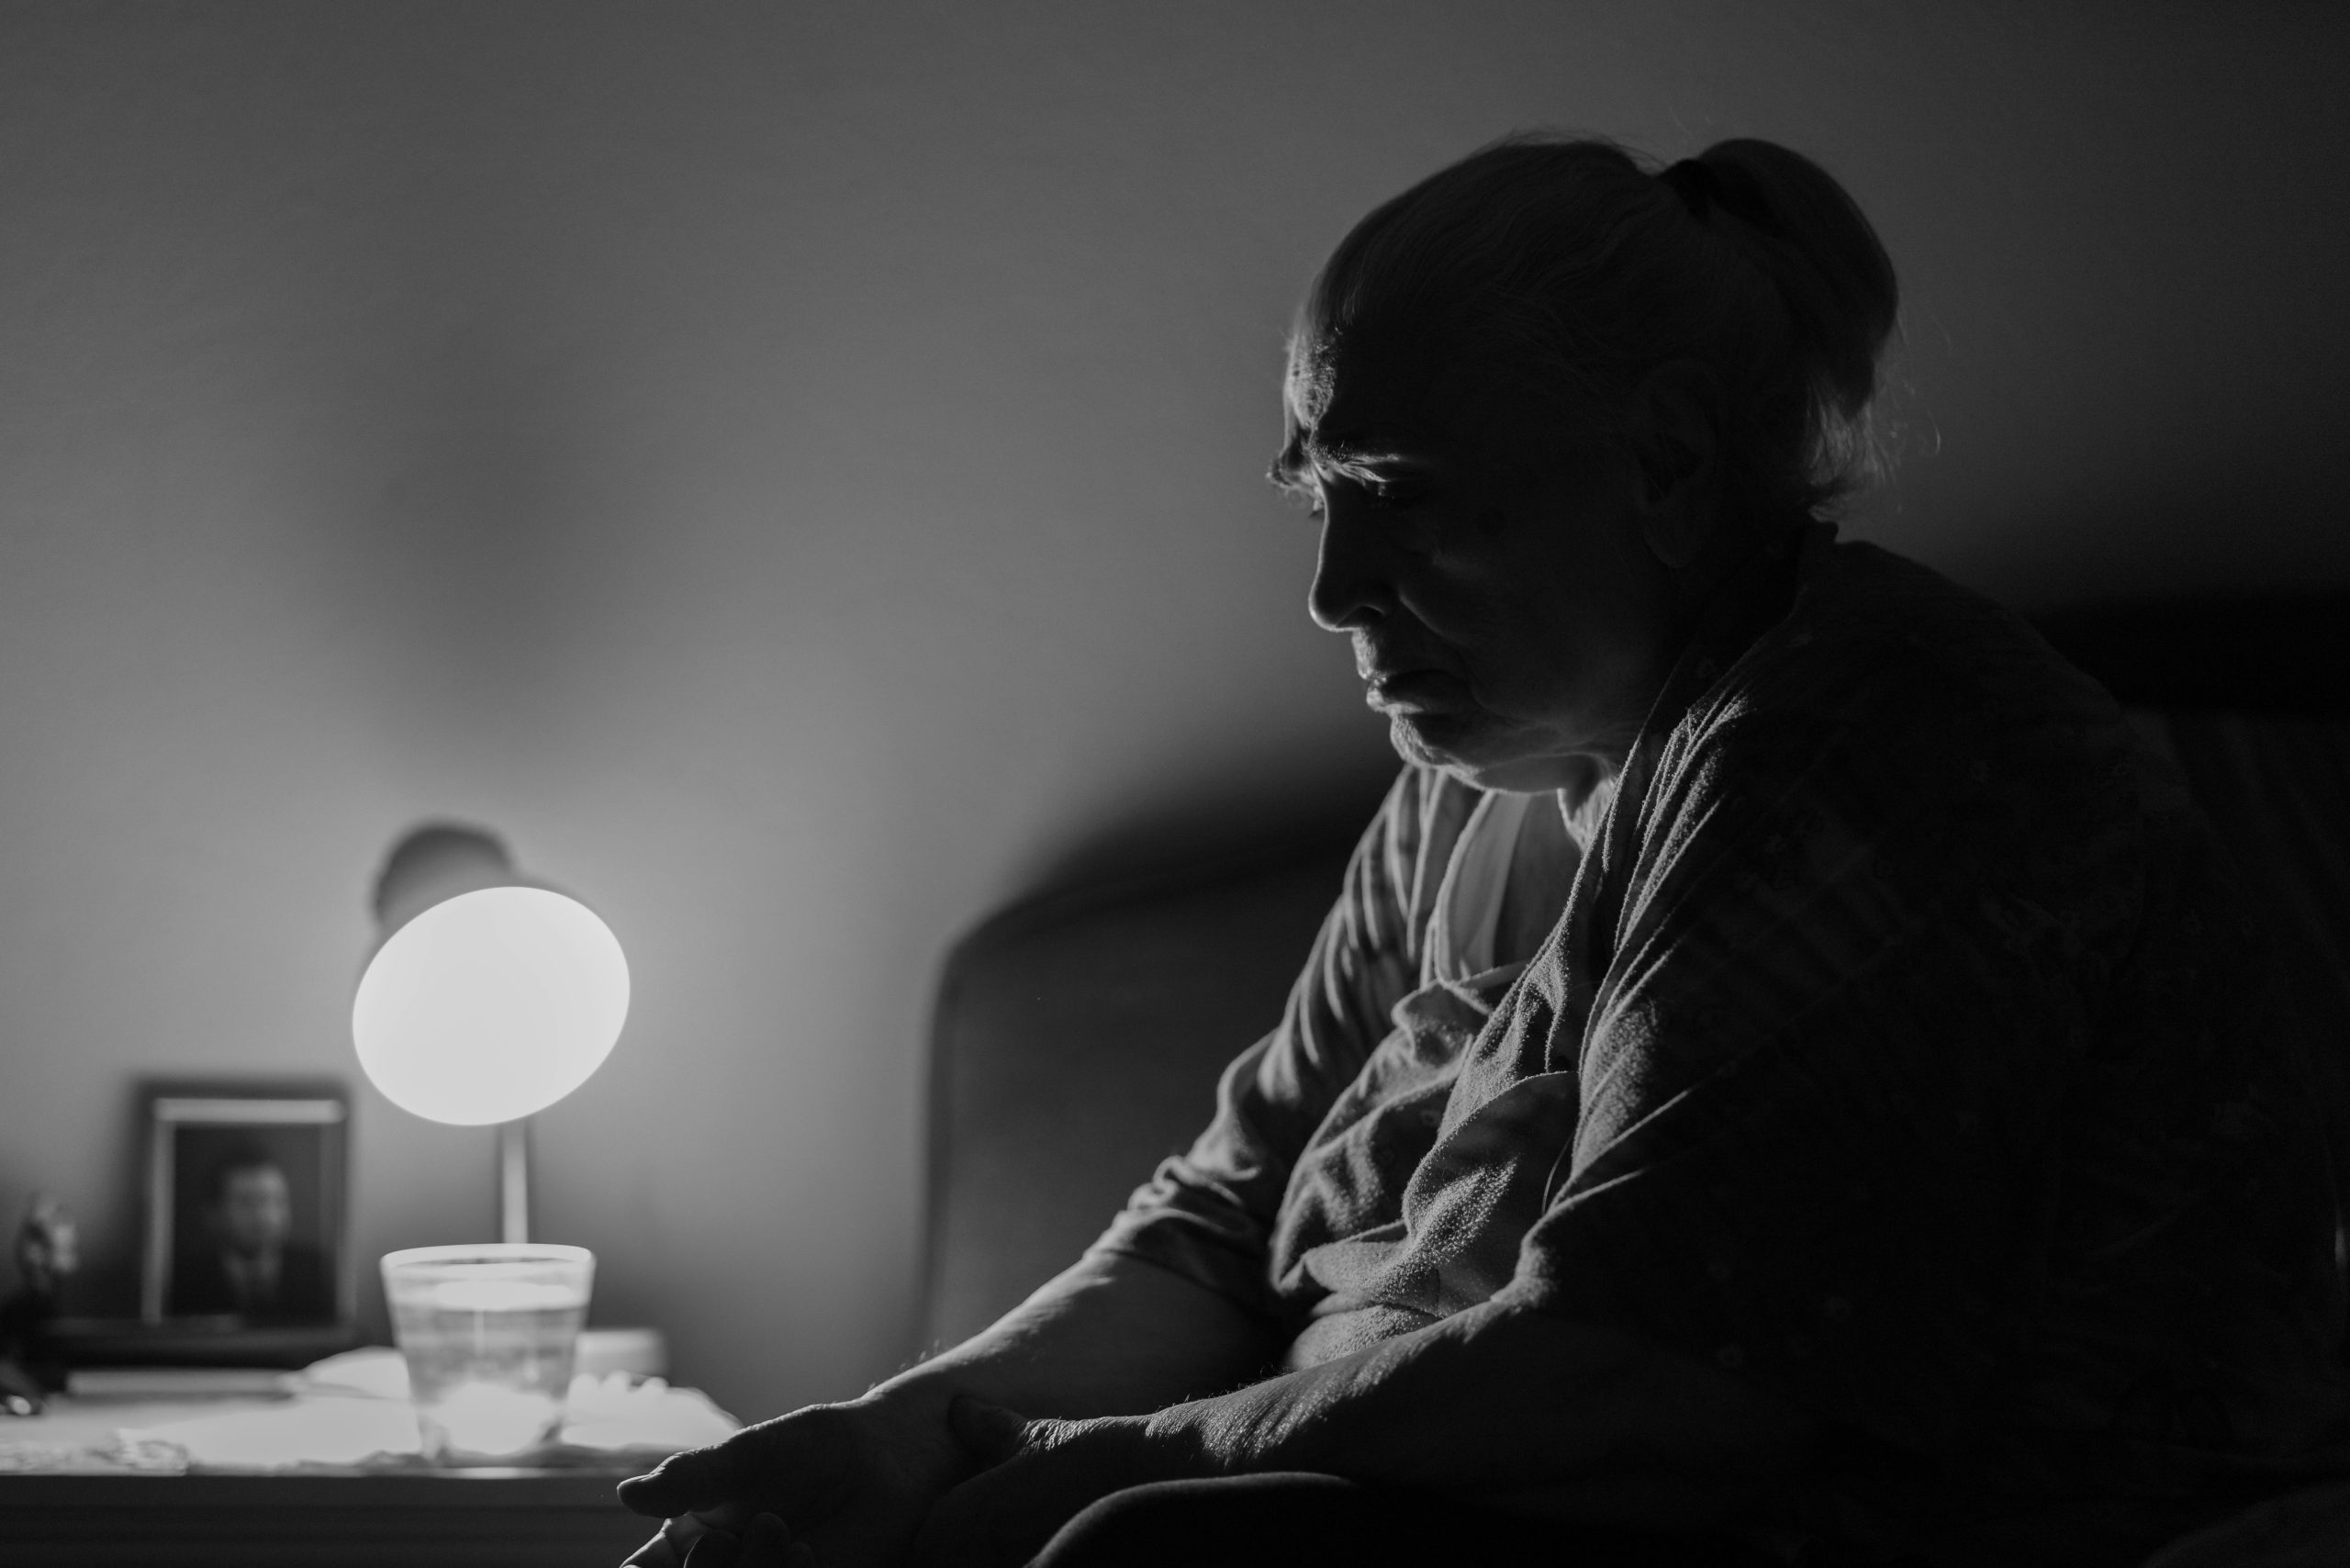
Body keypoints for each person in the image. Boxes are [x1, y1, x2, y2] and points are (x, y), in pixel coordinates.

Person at [617, 134, 2350, 1568]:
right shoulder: (1474, 773)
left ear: (1668, 463)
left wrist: (1067, 1472)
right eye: (1319, 494)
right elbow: (1219, 1229)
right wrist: (902, 1434)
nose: (1332, 589)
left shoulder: (1868, 739)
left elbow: (1645, 1384)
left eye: (1403, 491)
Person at [168, 1144, 334, 1322]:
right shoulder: (184, 1281)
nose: (264, 1217)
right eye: (246, 1203)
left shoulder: (317, 1274)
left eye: (275, 1201)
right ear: (213, 1213)